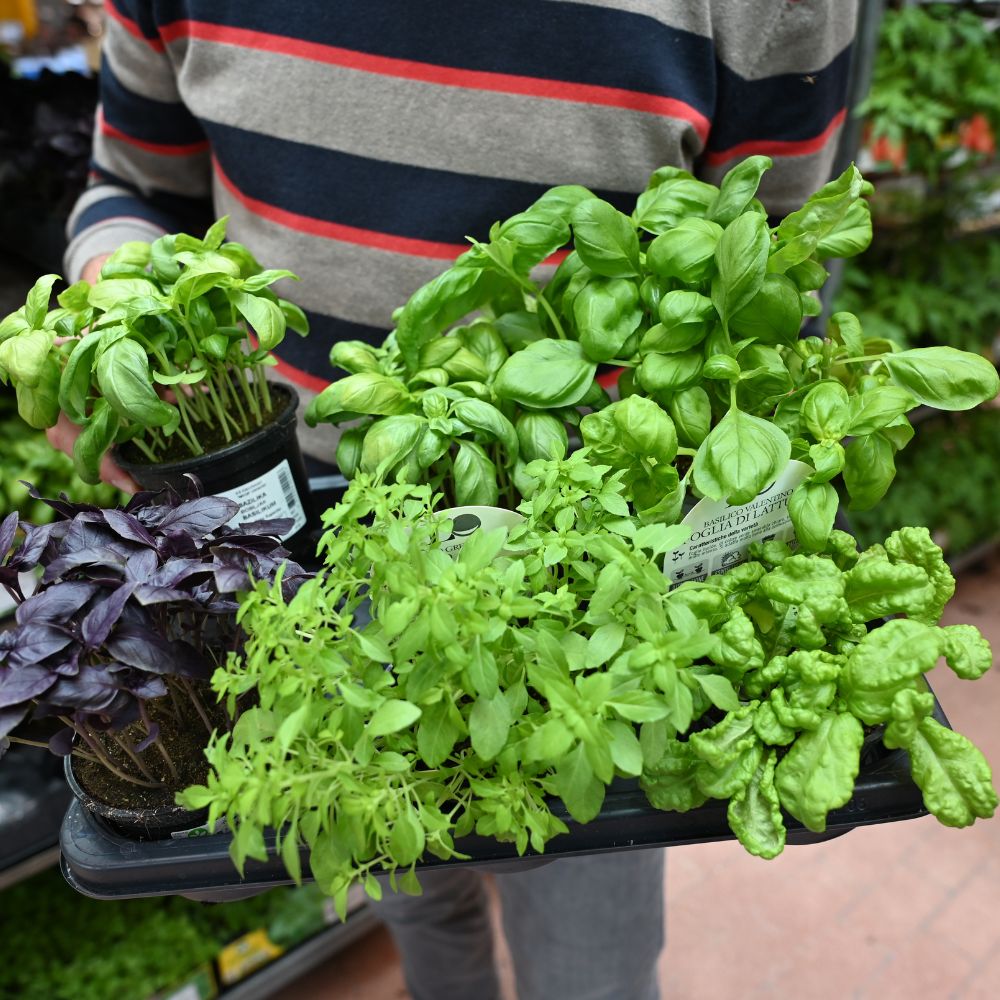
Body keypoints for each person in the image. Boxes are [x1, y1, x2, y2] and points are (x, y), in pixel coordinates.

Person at [53, 3, 858, 997]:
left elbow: (770, 265)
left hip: (591, 583)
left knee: (590, 965)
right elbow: (131, 187)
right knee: (414, 901)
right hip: (307, 559)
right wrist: (112, 308)